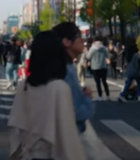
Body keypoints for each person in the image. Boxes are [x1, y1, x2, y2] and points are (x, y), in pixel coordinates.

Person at [7, 31, 86, 160]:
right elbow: (67, 137)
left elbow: (16, 128)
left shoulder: (25, 85)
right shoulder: (59, 88)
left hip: (27, 154)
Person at [52, 22, 94, 133]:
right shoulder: (66, 70)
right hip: (71, 134)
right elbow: (76, 113)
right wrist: (87, 99)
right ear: (66, 42)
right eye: (78, 37)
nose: (82, 41)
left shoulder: (56, 66)